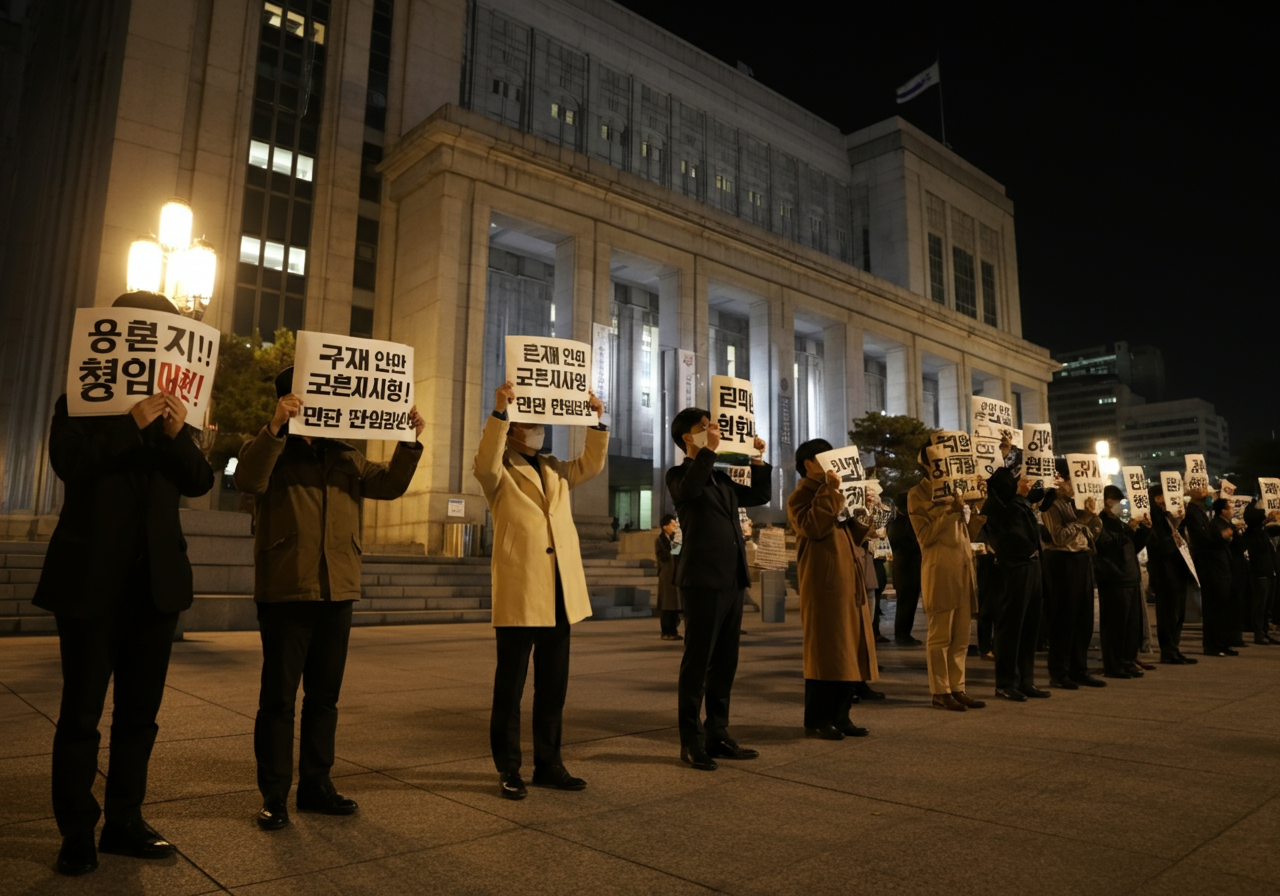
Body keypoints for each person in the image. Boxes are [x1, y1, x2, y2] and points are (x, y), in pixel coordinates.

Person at [34, 291, 214, 876]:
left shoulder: (174, 417)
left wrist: (173, 433)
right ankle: (76, 832)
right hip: (90, 581)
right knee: (81, 713)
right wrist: (131, 426)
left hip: (156, 585)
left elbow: (199, 481)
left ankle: (125, 822)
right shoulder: (79, 403)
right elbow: (69, 464)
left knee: (140, 715)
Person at [236, 367, 423, 828]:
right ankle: (274, 794)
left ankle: (317, 784)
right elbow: (248, 479)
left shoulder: (345, 454)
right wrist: (276, 427)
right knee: (278, 699)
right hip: (286, 589)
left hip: (338, 588)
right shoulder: (269, 449)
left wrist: (409, 441)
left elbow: (390, 484)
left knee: (324, 697)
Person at [473, 381, 607, 800]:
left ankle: (549, 763)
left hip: (560, 591)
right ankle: (509, 768)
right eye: (529, 421)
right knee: (510, 687)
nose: (537, 427)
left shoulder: (554, 467)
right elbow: (483, 463)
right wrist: (499, 412)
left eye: (540, 421)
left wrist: (594, 420)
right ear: (513, 429)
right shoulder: (498, 471)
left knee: (553, 685)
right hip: (520, 590)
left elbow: (592, 464)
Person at [667, 407, 770, 770]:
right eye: (703, 426)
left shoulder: (722, 481)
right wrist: (708, 452)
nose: (712, 429)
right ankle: (691, 741)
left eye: (712, 425)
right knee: (698, 663)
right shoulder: (679, 475)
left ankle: (718, 731)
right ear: (686, 437)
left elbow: (758, 496)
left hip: (732, 578)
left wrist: (758, 459)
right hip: (702, 580)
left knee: (725, 662)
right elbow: (691, 489)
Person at [788, 439, 876, 739]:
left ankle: (842, 715)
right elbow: (813, 527)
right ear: (809, 464)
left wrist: (864, 511)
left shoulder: (836, 493)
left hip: (848, 580)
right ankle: (816, 719)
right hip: (824, 585)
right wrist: (830, 491)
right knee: (825, 652)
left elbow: (856, 535)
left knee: (849, 649)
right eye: (822, 457)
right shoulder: (801, 496)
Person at [907, 446, 985, 712]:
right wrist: (947, 510)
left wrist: (974, 509)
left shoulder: (960, 490)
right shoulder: (917, 494)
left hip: (963, 568)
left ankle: (957, 687)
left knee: (961, 636)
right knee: (940, 636)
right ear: (928, 464)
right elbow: (925, 537)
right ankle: (940, 691)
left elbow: (969, 533)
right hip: (939, 569)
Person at [980, 463, 1051, 701]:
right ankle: (1006, 682)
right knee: (1011, 628)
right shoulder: (1001, 507)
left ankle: (1026, 680)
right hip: (1013, 570)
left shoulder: (1019, 504)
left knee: (1030, 627)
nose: (1026, 482)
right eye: (1020, 480)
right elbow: (1014, 532)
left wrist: (1046, 490)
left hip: (1031, 567)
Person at [1041, 459, 1105, 689]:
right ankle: (1059, 672)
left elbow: (1092, 533)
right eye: (1071, 480)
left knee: (1084, 620)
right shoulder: (1050, 505)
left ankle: (1080, 669)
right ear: (1060, 479)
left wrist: (1094, 516)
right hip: (1061, 561)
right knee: (1064, 619)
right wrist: (1083, 519)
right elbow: (1059, 537)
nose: (1074, 486)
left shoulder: (1074, 504)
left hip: (1082, 559)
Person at [1094, 485, 1151, 679]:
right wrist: (1129, 529)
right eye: (1114, 501)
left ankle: (1128, 660)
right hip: (1113, 579)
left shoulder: (1119, 522)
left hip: (1130, 577)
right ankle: (1114, 664)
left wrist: (1144, 530)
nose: (1117, 505)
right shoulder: (1098, 522)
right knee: (1115, 626)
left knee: (1131, 626)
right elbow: (1106, 544)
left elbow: (1132, 546)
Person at [1147, 487, 1197, 665]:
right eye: (1160, 497)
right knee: (1167, 613)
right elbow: (1161, 548)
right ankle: (1167, 650)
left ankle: (1175, 648)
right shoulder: (1153, 519)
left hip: (1178, 570)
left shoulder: (1169, 518)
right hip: (1164, 574)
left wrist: (1178, 523)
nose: (1163, 500)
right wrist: (1174, 529)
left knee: (1178, 613)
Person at [1183, 491, 1237, 657]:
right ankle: (1212, 645)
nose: (1209, 496)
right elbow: (1206, 540)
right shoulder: (1194, 514)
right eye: (1205, 494)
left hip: (1219, 568)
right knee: (1213, 608)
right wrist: (1222, 536)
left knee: (1222, 608)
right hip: (1212, 569)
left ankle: (1221, 643)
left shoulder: (1202, 515)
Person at [887, 492, 923, 646]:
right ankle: (902, 634)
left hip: (911, 567)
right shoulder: (898, 523)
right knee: (905, 603)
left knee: (910, 602)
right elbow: (908, 544)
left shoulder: (905, 521)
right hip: (905, 568)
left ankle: (905, 633)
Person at [1242, 504, 1280, 644]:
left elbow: (1275, 529)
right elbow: (1255, 527)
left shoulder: (1262, 531)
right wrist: (1267, 519)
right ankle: (1259, 633)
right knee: (1260, 605)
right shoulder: (1252, 532)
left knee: (1267, 606)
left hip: (1270, 572)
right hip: (1260, 573)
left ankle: (1264, 631)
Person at [655, 513, 682, 640]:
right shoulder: (661, 540)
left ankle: (673, 630)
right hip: (666, 574)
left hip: (674, 574)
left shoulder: (672, 539)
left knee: (674, 604)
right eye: (672, 524)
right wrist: (676, 545)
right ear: (665, 526)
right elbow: (665, 556)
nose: (675, 526)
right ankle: (666, 631)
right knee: (667, 604)